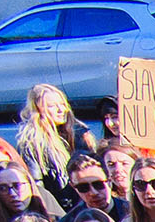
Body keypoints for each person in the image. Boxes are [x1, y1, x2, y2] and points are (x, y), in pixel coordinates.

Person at [15, 83, 96, 211]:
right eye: (52, 106)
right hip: (60, 210)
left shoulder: (80, 133)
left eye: (62, 104)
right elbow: (37, 187)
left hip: (89, 204)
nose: (61, 110)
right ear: (38, 110)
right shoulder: (32, 143)